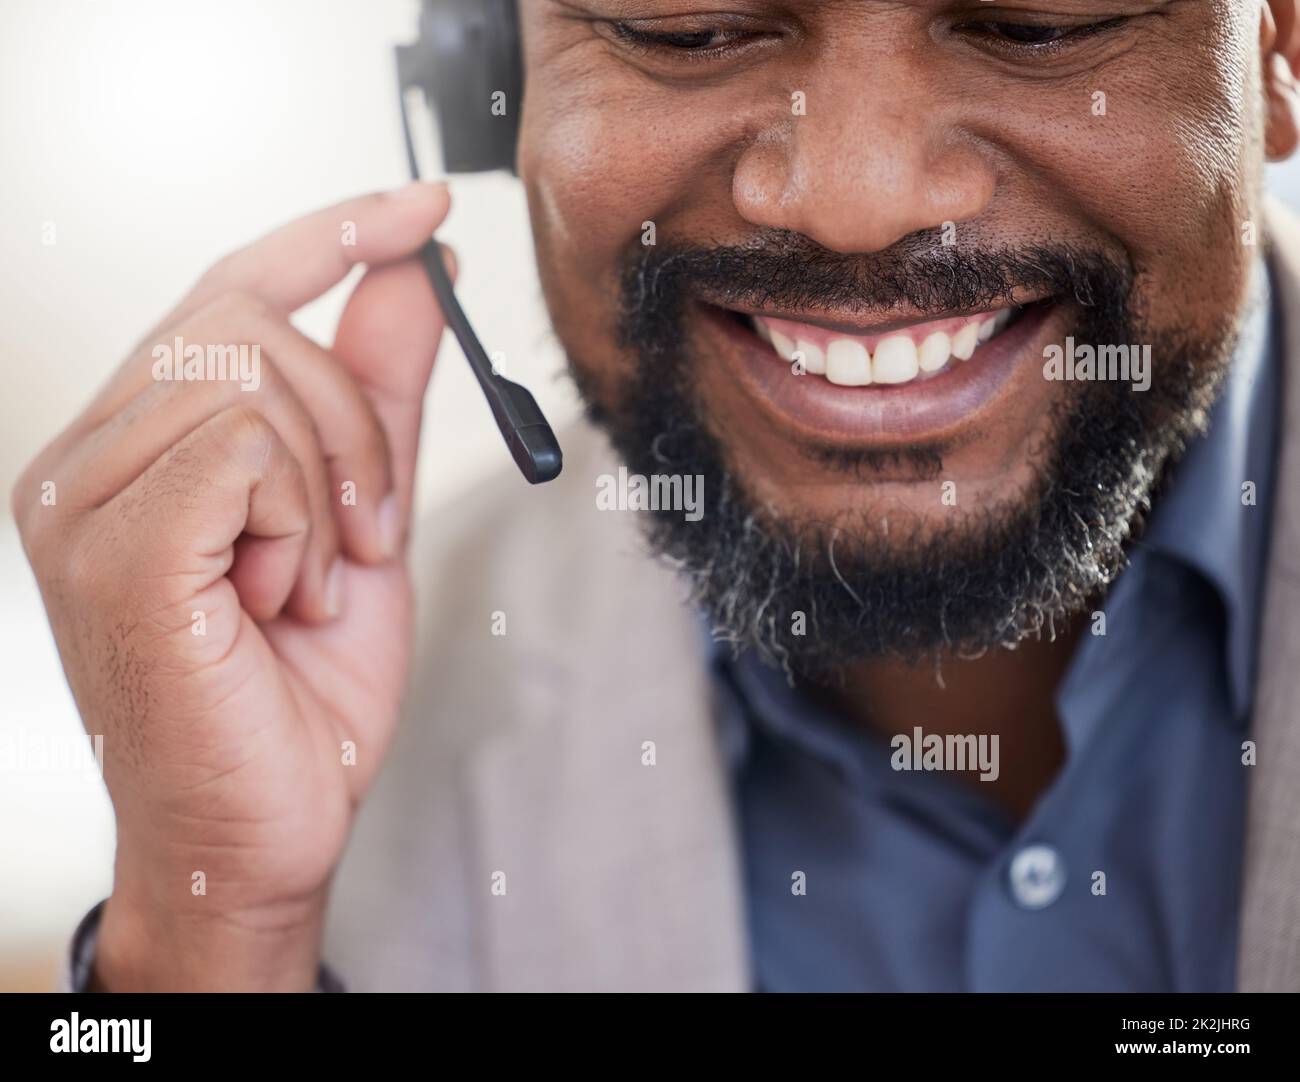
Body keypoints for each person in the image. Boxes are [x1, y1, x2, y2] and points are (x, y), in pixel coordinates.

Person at [14, 1, 1300, 992]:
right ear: (483, 75)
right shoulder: (315, 704)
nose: (856, 199)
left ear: (1275, 45)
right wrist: (205, 936)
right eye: (687, 27)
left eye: (1037, 24)